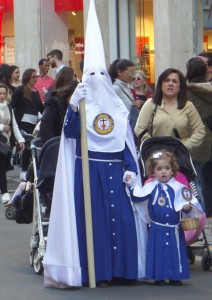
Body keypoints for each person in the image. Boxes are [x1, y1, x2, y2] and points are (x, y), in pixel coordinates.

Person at [43, 0, 148, 288]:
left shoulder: (117, 108)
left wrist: (130, 168)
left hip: (115, 170)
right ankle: (96, 272)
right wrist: (75, 109)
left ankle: (123, 270)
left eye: (102, 75)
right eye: (92, 75)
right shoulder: (80, 104)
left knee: (122, 220)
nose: (97, 80)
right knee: (95, 224)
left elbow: (125, 142)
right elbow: (72, 136)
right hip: (87, 172)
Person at [125, 150, 203, 286]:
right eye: (159, 169)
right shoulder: (150, 187)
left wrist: (188, 208)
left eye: (167, 168)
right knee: (158, 251)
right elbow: (138, 195)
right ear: (153, 172)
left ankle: (175, 276)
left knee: (175, 251)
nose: (163, 172)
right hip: (157, 227)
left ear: (172, 170)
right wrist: (132, 184)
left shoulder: (179, 188)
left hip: (174, 228)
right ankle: (159, 276)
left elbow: (192, 203)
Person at [134, 68, 205, 152]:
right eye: (167, 80)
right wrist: (152, 145)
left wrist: (185, 146)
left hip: (179, 155)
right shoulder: (150, 103)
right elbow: (139, 128)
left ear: (180, 86)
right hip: (156, 155)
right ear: (161, 84)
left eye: (174, 81)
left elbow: (200, 131)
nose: (170, 84)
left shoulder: (188, 106)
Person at [185, 57, 212, 215]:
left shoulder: (186, 91)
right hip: (209, 135)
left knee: (197, 180)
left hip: (197, 139)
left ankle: (201, 213)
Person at [10, 68, 44, 181]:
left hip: (34, 124)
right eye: (33, 77)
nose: (35, 79)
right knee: (27, 145)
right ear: (27, 77)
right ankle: (24, 171)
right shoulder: (20, 90)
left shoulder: (36, 91)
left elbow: (40, 108)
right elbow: (12, 105)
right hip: (23, 122)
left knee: (31, 146)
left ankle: (28, 170)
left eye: (36, 77)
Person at [39, 66, 78, 146]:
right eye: (74, 75)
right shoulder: (54, 103)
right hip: (58, 147)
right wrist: (55, 147)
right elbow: (46, 127)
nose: (76, 78)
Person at [0, 83, 25, 203]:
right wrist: (1, 127)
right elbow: (6, 126)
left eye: (4, 93)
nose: (2, 96)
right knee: (2, 167)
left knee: (4, 167)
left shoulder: (9, 108)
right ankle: (4, 192)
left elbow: (14, 125)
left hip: (5, 143)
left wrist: (20, 140)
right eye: (0, 93)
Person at [108, 59, 142, 131]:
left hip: (128, 126)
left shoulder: (128, 86)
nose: (132, 76)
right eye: (129, 73)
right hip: (121, 128)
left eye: (133, 73)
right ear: (119, 72)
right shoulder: (115, 88)